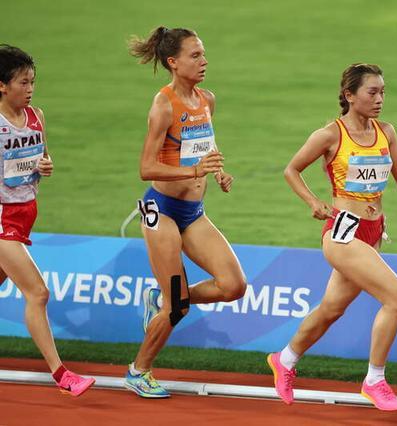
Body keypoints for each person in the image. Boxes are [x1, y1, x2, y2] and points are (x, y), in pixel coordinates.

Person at [268, 63, 397, 411]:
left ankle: (285, 360)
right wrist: (313, 202)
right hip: (343, 232)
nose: (380, 98)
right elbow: (291, 169)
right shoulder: (329, 135)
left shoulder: (387, 131)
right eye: (372, 92)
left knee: (331, 309)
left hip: (374, 230)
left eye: (383, 91)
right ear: (349, 95)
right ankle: (375, 380)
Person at [125, 27, 246, 398]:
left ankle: (161, 298)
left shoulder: (206, 99)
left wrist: (217, 169)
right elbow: (146, 167)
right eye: (195, 55)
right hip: (160, 210)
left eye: (204, 53)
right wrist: (194, 172)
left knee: (233, 286)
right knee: (177, 306)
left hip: (193, 210)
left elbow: (203, 143)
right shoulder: (163, 105)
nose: (204, 60)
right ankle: (138, 370)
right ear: (173, 62)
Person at [0, 44, 95, 396]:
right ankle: (62, 375)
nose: (30, 89)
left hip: (24, 217)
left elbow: (38, 157)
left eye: (32, 82)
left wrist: (45, 165)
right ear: (2, 86)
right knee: (37, 293)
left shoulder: (36, 115)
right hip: (1, 219)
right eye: (23, 83)